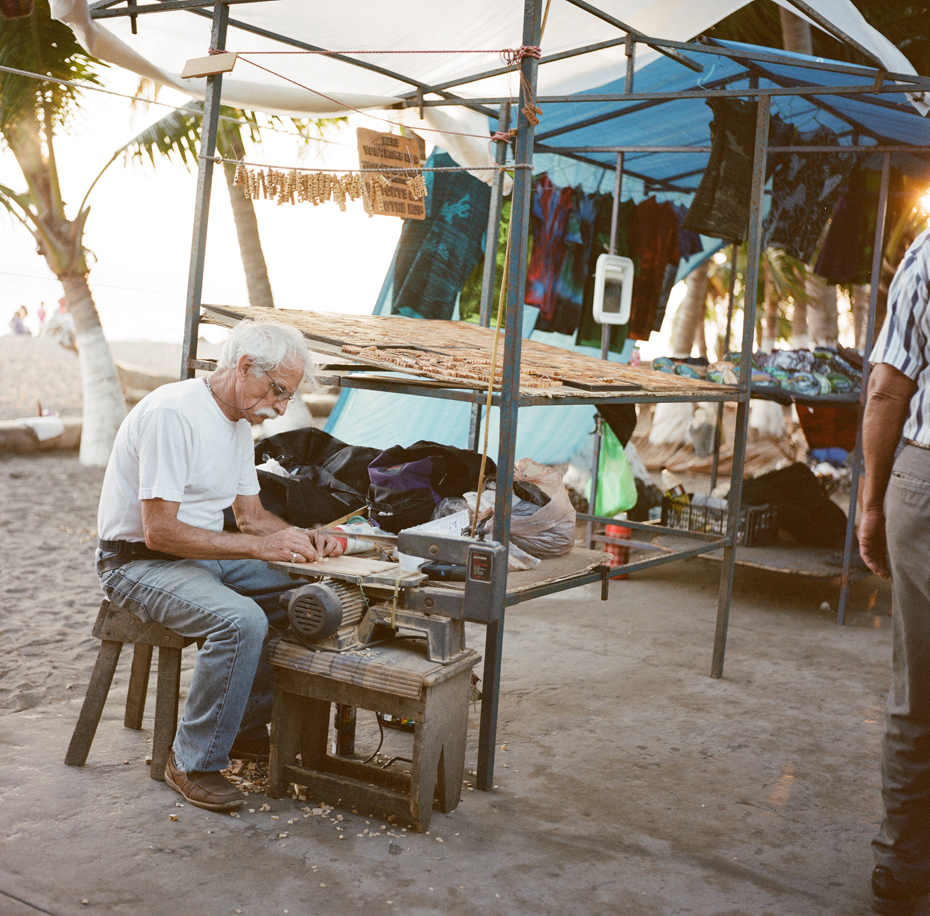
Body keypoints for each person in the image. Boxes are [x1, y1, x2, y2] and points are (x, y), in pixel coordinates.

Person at [95, 319, 343, 813]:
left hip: (198, 557)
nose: (281, 406)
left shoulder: (233, 422)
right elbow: (159, 531)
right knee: (240, 621)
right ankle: (191, 761)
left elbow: (251, 518)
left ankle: (246, 729)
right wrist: (257, 549)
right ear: (245, 366)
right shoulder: (174, 413)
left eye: (288, 397)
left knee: (312, 600)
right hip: (138, 564)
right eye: (279, 391)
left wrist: (301, 538)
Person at [859, 225, 930, 916]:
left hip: (927, 479)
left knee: (920, 688)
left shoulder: (928, 250)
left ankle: (901, 869)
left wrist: (870, 503)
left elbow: (887, 389)